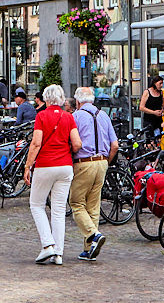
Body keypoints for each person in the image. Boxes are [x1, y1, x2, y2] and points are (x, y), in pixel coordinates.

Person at [21, 85, 78, 265]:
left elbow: (36, 143)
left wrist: (27, 166)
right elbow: (77, 143)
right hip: (65, 165)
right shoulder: (68, 117)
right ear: (61, 99)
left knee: (37, 204)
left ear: (46, 99)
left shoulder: (41, 116)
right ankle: (59, 253)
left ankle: (47, 245)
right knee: (59, 209)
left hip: (46, 164)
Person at [69, 86, 119, 261]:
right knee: (93, 206)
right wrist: (106, 161)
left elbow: (74, 144)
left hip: (84, 163)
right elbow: (115, 145)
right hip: (102, 163)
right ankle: (89, 249)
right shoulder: (103, 115)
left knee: (76, 202)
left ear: (78, 101)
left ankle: (93, 235)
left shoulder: (75, 117)